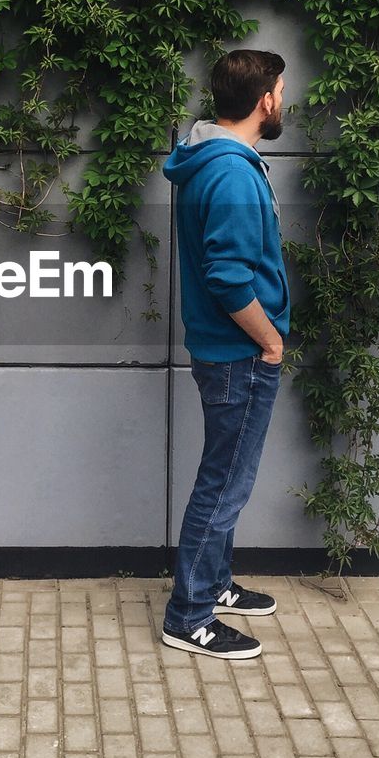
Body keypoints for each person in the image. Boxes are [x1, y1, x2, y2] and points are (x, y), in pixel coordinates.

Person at [160, 49, 289, 660]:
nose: (283, 100)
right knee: (224, 484)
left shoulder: (210, 160)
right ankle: (189, 615)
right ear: (265, 100)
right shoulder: (233, 173)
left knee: (226, 475)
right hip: (240, 353)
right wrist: (269, 340)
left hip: (226, 351)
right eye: (281, 90)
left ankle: (212, 585)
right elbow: (230, 277)